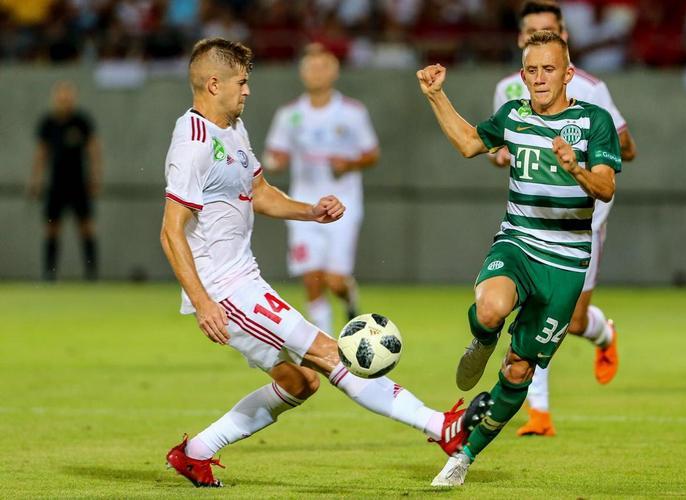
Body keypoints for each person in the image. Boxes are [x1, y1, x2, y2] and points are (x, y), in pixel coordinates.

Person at [160, 37, 484, 488]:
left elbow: (260, 193)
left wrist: (311, 211)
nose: (248, 90)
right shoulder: (193, 143)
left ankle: (195, 453)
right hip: (225, 291)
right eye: (241, 82)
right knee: (334, 354)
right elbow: (170, 231)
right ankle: (441, 427)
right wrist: (203, 302)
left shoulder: (233, 130)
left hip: (244, 279)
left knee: (300, 382)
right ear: (214, 84)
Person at [417, 31, 621, 486]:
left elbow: (606, 187)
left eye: (549, 69)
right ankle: (482, 339)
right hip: (519, 242)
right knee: (490, 309)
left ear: (567, 74)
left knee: (519, 368)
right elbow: (469, 143)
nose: (540, 78)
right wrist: (436, 96)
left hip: (566, 262)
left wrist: (576, 169)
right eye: (532, 70)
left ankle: (464, 456)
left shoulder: (594, 121)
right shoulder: (513, 115)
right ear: (523, 75)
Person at [489, 0, 637, 437]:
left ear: (564, 39)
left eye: (548, 31)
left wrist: (589, 154)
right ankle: (539, 412)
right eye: (530, 32)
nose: (538, 38)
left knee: (572, 321)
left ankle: (602, 333)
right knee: (532, 308)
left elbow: (627, 148)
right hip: (532, 220)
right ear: (521, 40)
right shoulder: (507, 90)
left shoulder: (591, 89)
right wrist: (502, 154)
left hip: (581, 220)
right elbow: (498, 146)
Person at [263, 43, 379, 334]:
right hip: (303, 206)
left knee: (335, 280)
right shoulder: (289, 114)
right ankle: (326, 341)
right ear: (302, 72)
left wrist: (349, 164)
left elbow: (371, 154)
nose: (316, 73)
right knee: (311, 276)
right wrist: (275, 162)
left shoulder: (352, 112)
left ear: (334, 71)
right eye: (311, 67)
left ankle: (348, 295)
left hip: (343, 204)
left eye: (322, 66)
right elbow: (274, 155)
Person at [28, 81, 103, 281]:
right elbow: (41, 154)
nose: (64, 101)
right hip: (56, 185)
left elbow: (94, 150)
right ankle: (49, 273)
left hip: (79, 184)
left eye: (68, 97)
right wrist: (35, 181)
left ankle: (91, 273)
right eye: (61, 97)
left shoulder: (81, 122)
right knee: (52, 228)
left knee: (86, 227)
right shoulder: (48, 123)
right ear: (55, 99)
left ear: (73, 99)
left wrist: (95, 177)